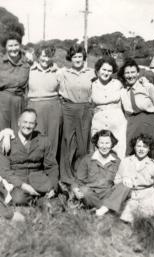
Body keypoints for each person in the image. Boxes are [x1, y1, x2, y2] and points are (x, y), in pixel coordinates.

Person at [0, 109, 59, 205]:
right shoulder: (7, 142)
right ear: (18, 123)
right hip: (17, 181)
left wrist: (53, 187)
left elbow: (52, 166)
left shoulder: (43, 141)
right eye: (25, 122)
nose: (27, 126)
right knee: (19, 199)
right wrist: (23, 186)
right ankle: (37, 199)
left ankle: (42, 199)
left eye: (31, 123)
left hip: (39, 179)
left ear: (35, 125)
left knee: (56, 204)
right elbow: (5, 170)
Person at [58, 44, 95, 186]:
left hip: (85, 109)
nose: (77, 59)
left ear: (84, 58)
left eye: (80, 56)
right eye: (74, 56)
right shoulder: (62, 73)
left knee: (82, 144)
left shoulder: (92, 73)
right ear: (70, 58)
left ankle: (80, 176)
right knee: (68, 143)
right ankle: (66, 178)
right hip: (68, 108)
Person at [72, 130, 130, 216]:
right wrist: (75, 190)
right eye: (101, 143)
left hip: (108, 194)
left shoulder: (117, 161)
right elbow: (78, 180)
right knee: (84, 190)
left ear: (112, 144)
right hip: (91, 194)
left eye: (107, 143)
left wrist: (124, 178)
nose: (104, 146)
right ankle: (108, 209)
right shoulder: (87, 159)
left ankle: (100, 211)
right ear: (97, 144)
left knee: (125, 186)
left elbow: (123, 178)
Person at [119, 58, 154, 168]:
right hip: (132, 123)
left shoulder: (147, 87)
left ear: (138, 73)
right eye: (127, 73)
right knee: (131, 150)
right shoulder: (122, 91)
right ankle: (132, 179)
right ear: (124, 75)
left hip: (149, 121)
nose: (130, 75)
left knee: (153, 150)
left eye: (133, 72)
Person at [27, 45, 62, 159]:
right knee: (36, 137)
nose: (46, 59)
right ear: (37, 56)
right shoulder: (29, 70)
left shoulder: (58, 71)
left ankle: (51, 166)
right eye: (43, 56)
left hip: (53, 108)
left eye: (48, 56)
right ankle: (37, 166)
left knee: (52, 138)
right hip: (35, 107)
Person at [90, 56, 127, 159]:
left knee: (119, 152)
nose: (106, 73)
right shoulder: (92, 85)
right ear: (98, 70)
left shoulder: (118, 84)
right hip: (99, 123)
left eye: (109, 71)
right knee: (100, 153)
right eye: (104, 69)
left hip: (117, 124)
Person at [0, 32, 31, 132]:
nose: (13, 48)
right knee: (3, 131)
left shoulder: (27, 63)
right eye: (10, 45)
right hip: (3, 100)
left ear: (20, 46)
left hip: (19, 101)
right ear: (6, 47)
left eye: (16, 45)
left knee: (19, 130)